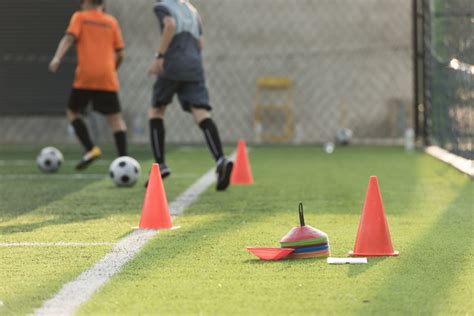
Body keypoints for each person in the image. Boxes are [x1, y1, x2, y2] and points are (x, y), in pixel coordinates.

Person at [148, 0, 233, 191]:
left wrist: (160, 56)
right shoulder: (192, 10)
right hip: (194, 65)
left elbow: (169, 25)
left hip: (172, 63)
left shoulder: (162, 7)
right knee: (201, 112)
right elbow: (200, 42)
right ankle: (220, 158)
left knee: (156, 110)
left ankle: (160, 164)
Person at [49, 0, 128, 170]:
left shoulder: (80, 17)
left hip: (86, 76)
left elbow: (69, 38)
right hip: (107, 76)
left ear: (85, 2)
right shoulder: (111, 21)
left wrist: (57, 57)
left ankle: (91, 148)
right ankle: (124, 159)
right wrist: (112, 69)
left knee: (72, 111)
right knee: (115, 119)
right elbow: (120, 53)